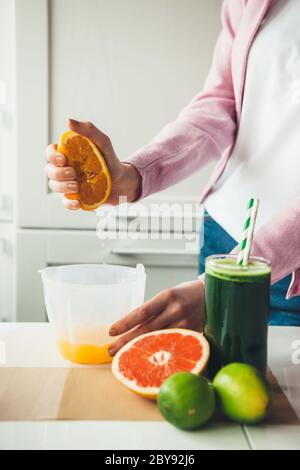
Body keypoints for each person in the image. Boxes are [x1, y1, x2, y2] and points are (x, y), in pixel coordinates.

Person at [45, 0, 300, 355]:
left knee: (280, 404)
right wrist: (133, 175)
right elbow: (221, 102)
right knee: (213, 392)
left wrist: (225, 285)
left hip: (287, 271)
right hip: (225, 234)